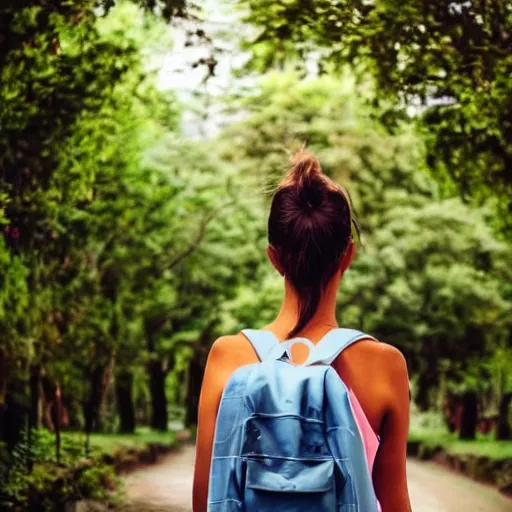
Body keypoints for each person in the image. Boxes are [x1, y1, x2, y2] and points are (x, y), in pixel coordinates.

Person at [193, 149, 412, 512]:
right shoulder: (385, 366)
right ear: (348, 255)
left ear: (274, 258)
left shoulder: (227, 357)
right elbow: (395, 503)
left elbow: (207, 501)